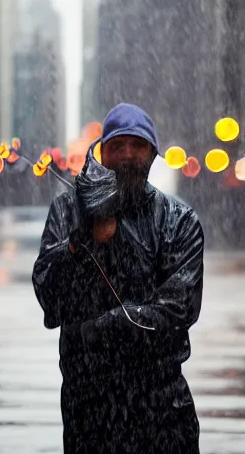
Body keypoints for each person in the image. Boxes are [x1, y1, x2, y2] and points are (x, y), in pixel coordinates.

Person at [32, 103, 204, 454]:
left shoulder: (179, 220)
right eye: (118, 146)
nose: (127, 155)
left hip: (162, 412)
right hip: (88, 412)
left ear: (152, 154)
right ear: (102, 153)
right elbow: (50, 300)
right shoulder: (68, 211)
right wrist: (82, 239)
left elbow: (177, 310)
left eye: (137, 146)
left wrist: (104, 328)